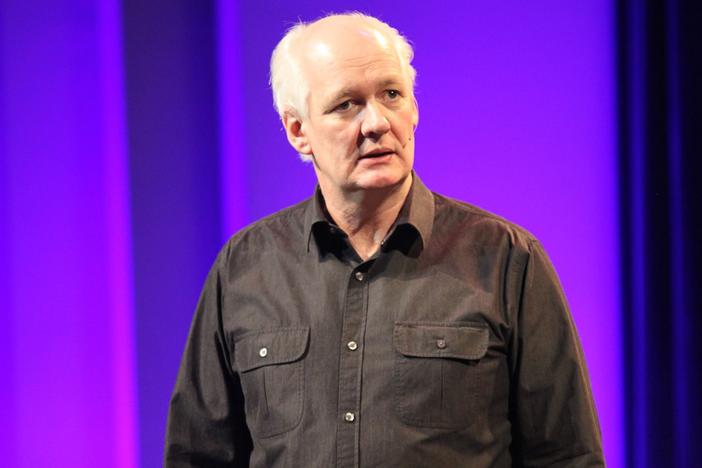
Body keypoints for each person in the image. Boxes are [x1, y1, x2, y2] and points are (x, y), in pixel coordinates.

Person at [164, 12, 604, 467]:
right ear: (298, 131)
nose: (376, 123)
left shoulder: (508, 260)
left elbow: (566, 457)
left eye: (391, 95)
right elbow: (198, 456)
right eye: (347, 104)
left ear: (413, 110)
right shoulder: (244, 268)